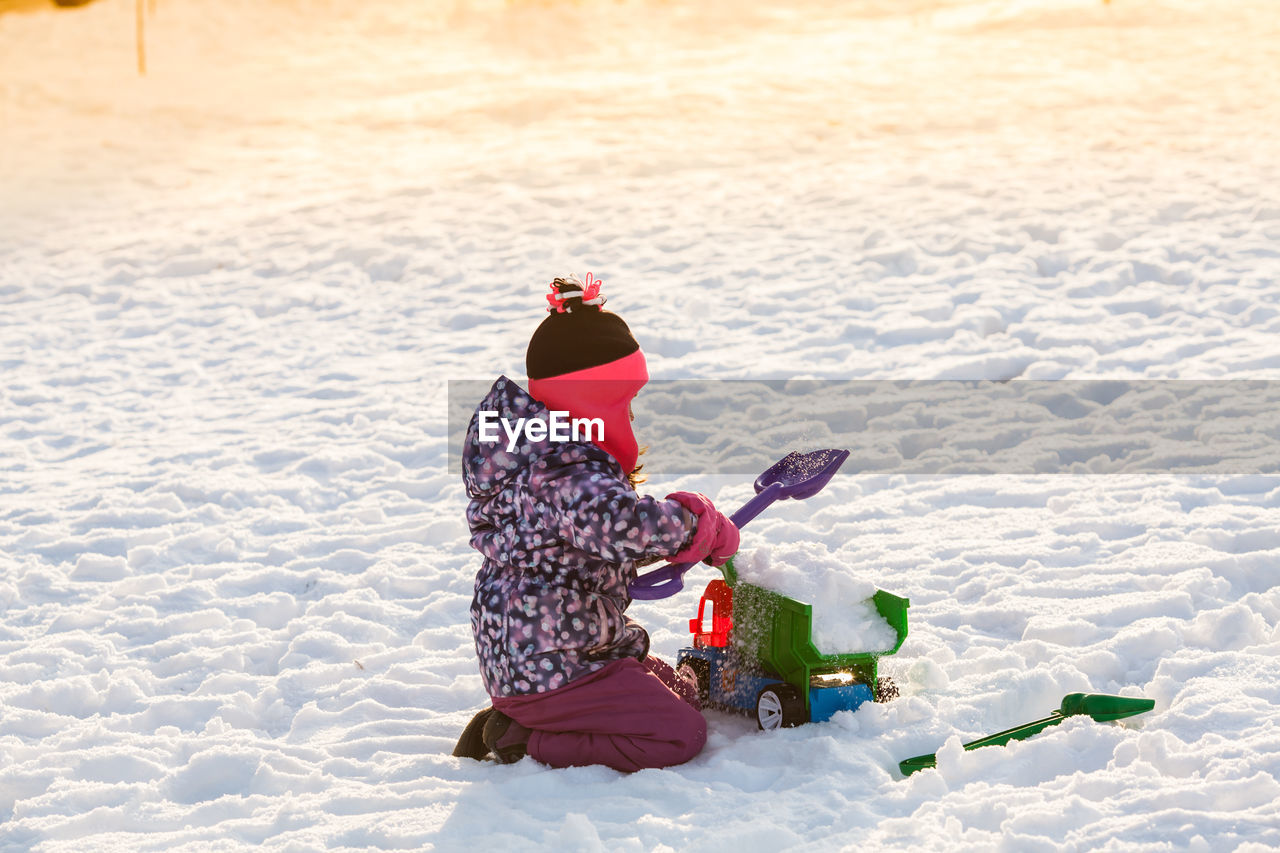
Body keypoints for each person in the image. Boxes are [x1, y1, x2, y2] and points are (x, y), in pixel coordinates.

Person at [451, 273, 739, 772]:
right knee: (677, 734)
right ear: (595, 399)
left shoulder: (539, 459)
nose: (630, 416)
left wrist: (683, 537)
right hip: (554, 665)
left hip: (547, 652)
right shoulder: (563, 470)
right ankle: (520, 739)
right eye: (623, 402)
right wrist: (691, 527)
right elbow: (616, 525)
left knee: (683, 695)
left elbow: (591, 533)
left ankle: (533, 716)